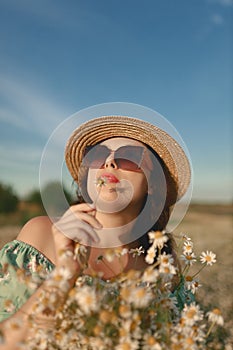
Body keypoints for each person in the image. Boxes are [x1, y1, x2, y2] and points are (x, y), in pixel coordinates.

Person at [0, 115, 192, 349]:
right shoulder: (40, 233)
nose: (109, 163)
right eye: (98, 155)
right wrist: (64, 275)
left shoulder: (164, 266)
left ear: (153, 183)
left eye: (129, 156)